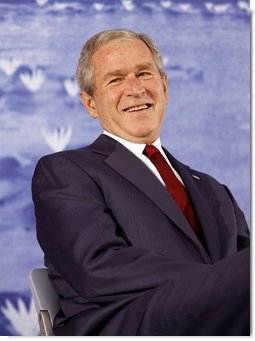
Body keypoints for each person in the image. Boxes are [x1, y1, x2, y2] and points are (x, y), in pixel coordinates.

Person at [32, 29, 250, 336]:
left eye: (144, 73)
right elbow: (96, 267)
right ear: (91, 104)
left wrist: (224, 283)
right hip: (128, 324)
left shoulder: (213, 190)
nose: (135, 89)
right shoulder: (66, 170)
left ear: (164, 86)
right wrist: (217, 281)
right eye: (115, 79)